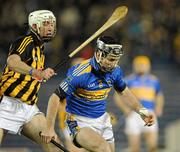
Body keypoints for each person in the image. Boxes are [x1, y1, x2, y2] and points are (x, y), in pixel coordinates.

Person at [40, 36, 155, 152]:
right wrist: (49, 128)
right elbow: (55, 97)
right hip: (80, 121)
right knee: (103, 148)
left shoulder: (115, 71)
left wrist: (141, 110)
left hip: (102, 120)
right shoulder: (80, 73)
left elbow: (124, 91)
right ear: (99, 55)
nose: (113, 64)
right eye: (110, 59)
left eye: (116, 60)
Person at [0, 10, 61, 152]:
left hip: (27, 108)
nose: (50, 27)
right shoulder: (25, 41)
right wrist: (37, 72)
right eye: (46, 24)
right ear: (35, 26)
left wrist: (40, 75)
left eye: (52, 24)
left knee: (54, 144)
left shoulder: (40, 49)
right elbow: (12, 61)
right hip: (5, 104)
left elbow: (29, 73)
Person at [114, 55, 164, 152]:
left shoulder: (154, 80)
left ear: (148, 66)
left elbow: (159, 95)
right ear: (134, 66)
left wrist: (159, 107)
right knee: (135, 148)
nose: (141, 67)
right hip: (134, 114)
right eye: (139, 65)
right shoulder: (128, 80)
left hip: (149, 113)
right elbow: (117, 96)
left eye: (143, 65)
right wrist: (125, 109)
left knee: (153, 146)